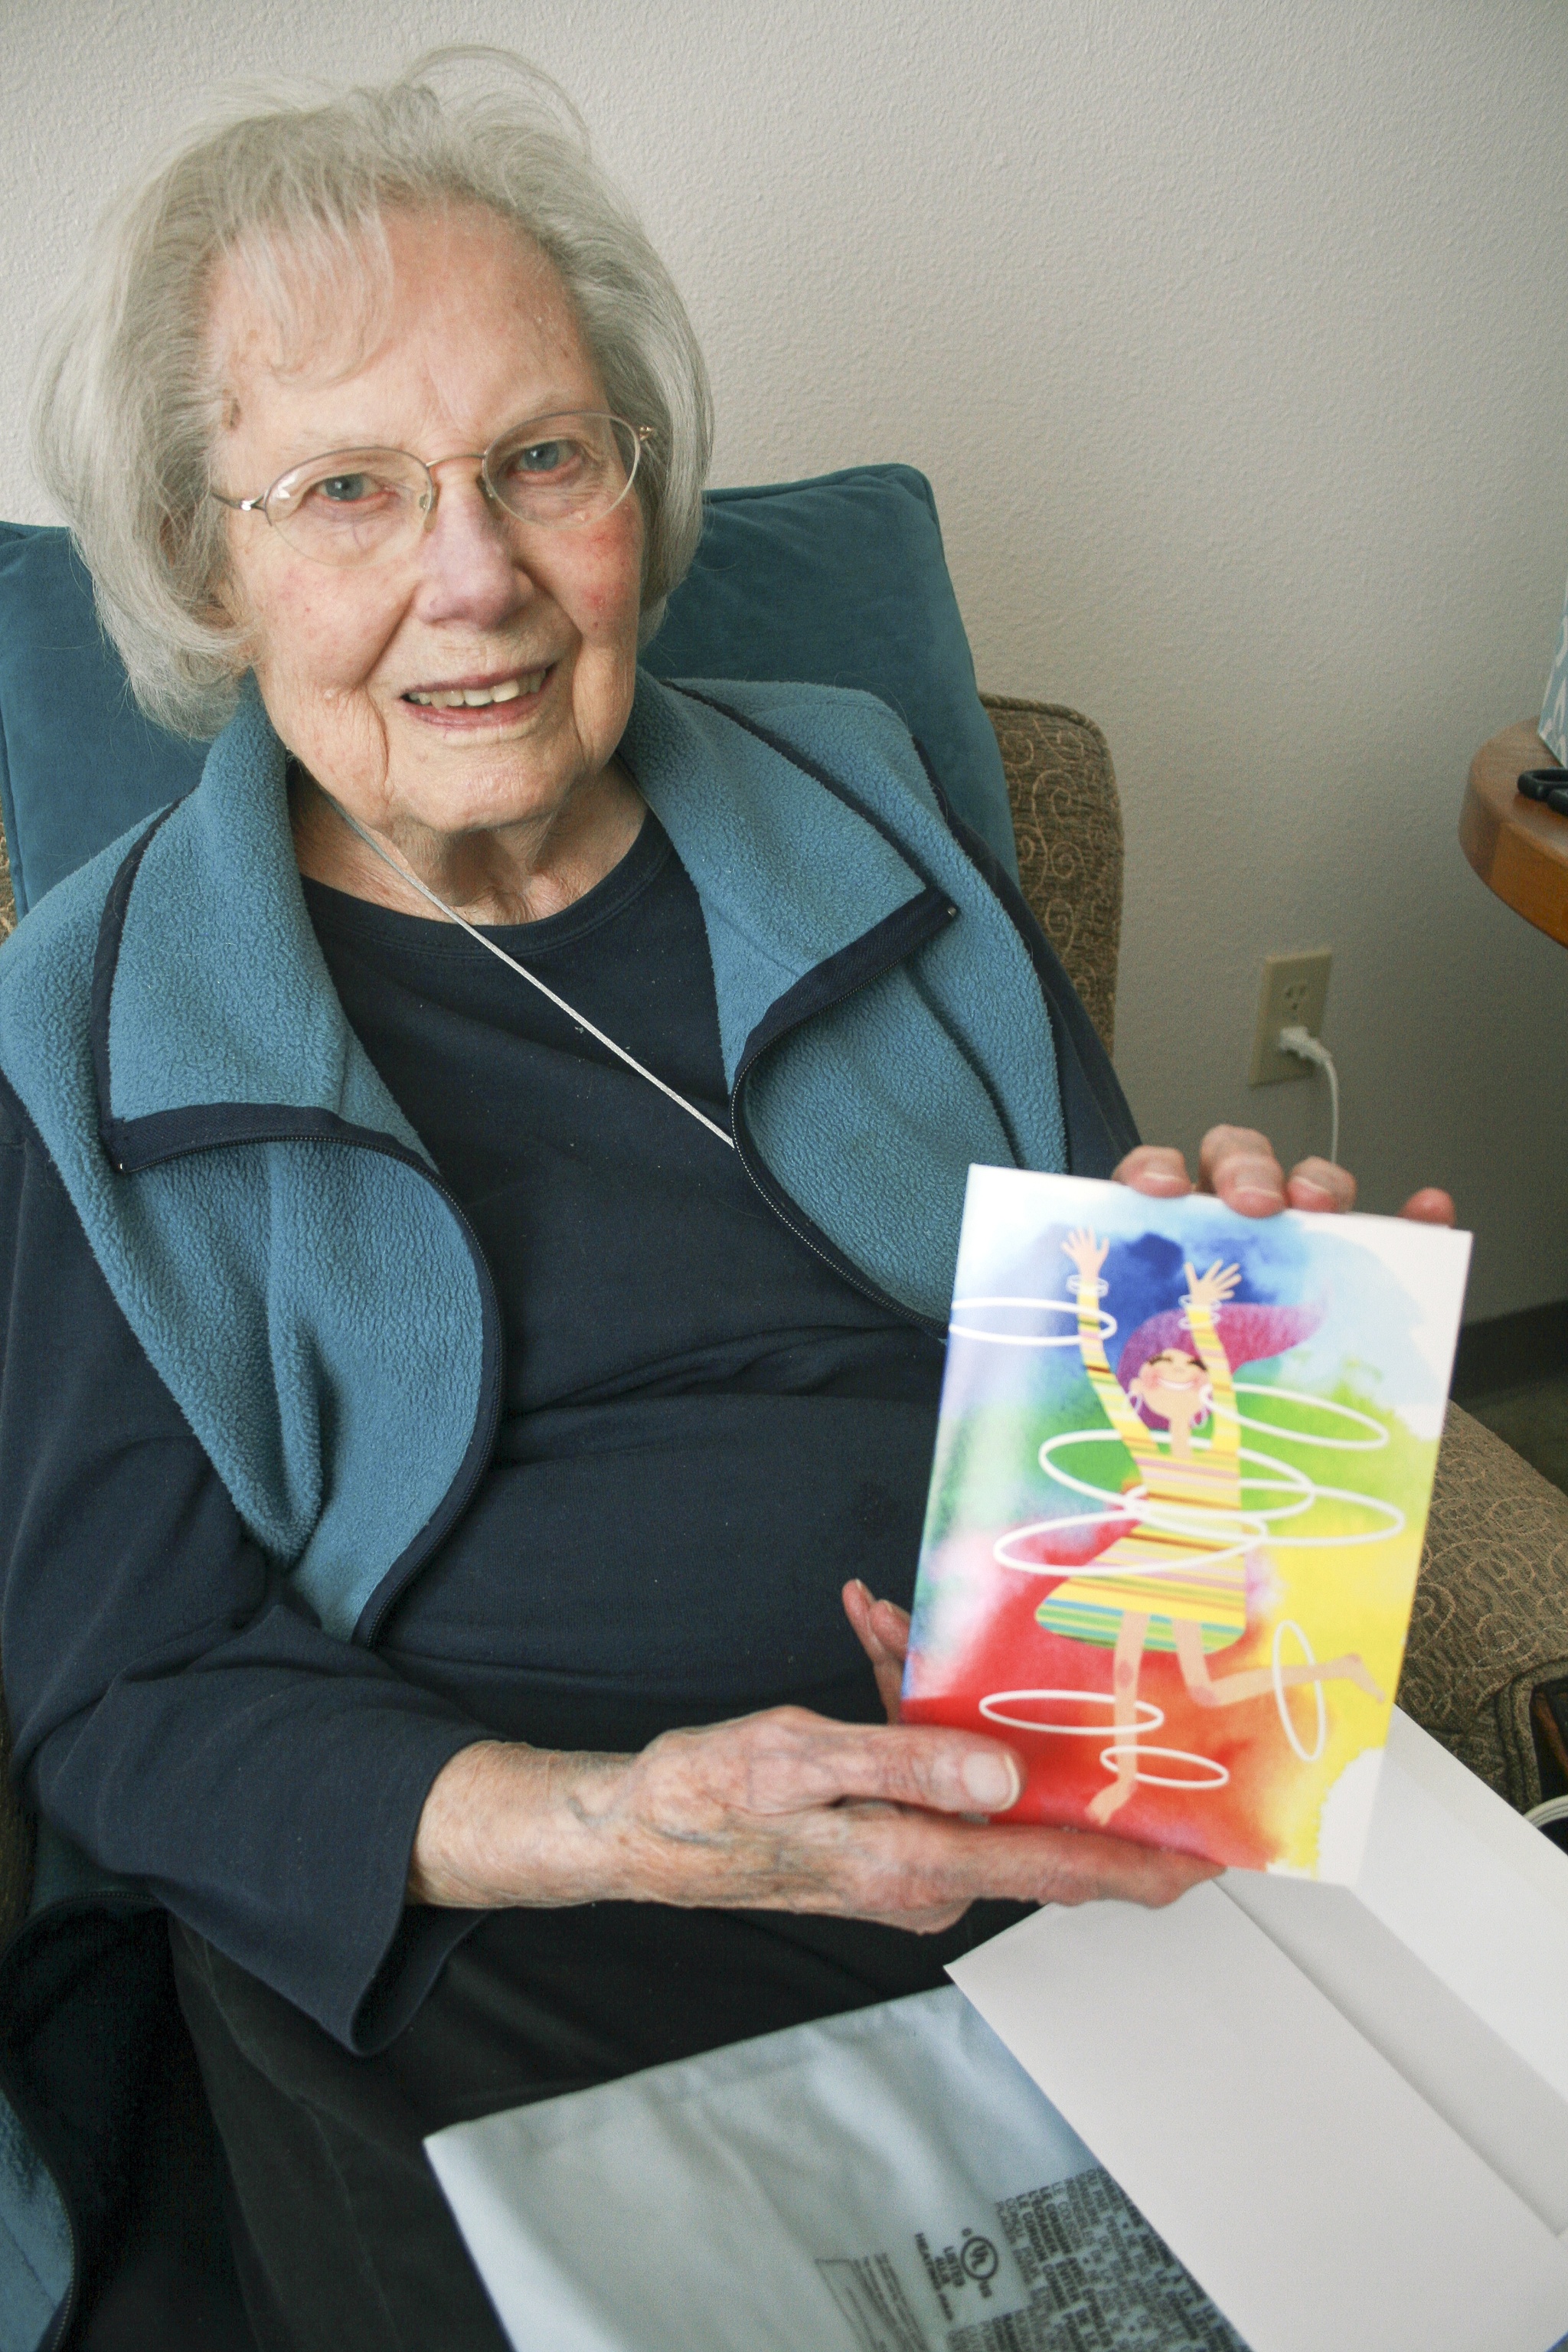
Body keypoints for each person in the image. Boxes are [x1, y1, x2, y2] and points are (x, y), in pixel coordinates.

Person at [0, 50, 1455, 2352]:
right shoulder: (94, 1025)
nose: (467, 578)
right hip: (538, 1950)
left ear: (633, 483)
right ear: (206, 557)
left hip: (1065, 1823)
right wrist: (614, 1817)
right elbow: (125, 1703)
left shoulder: (865, 814)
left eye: (537, 461)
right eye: (350, 491)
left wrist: (1235, 1370)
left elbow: (1142, 1450)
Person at [1047, 1231, 1383, 1825]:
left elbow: (1220, 1373)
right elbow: (1099, 1369)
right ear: (1142, 1384)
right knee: (1124, 1666)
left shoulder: (1221, 1440)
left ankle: (1338, 1668)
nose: (1174, 1371)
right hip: (1150, 1558)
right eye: (1159, 1364)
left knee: (1203, 1689)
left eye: (1187, 1365)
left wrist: (1202, 1321)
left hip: (1199, 1565)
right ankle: (1124, 1779)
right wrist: (1088, 1285)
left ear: (1203, 1386)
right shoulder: (1145, 1445)